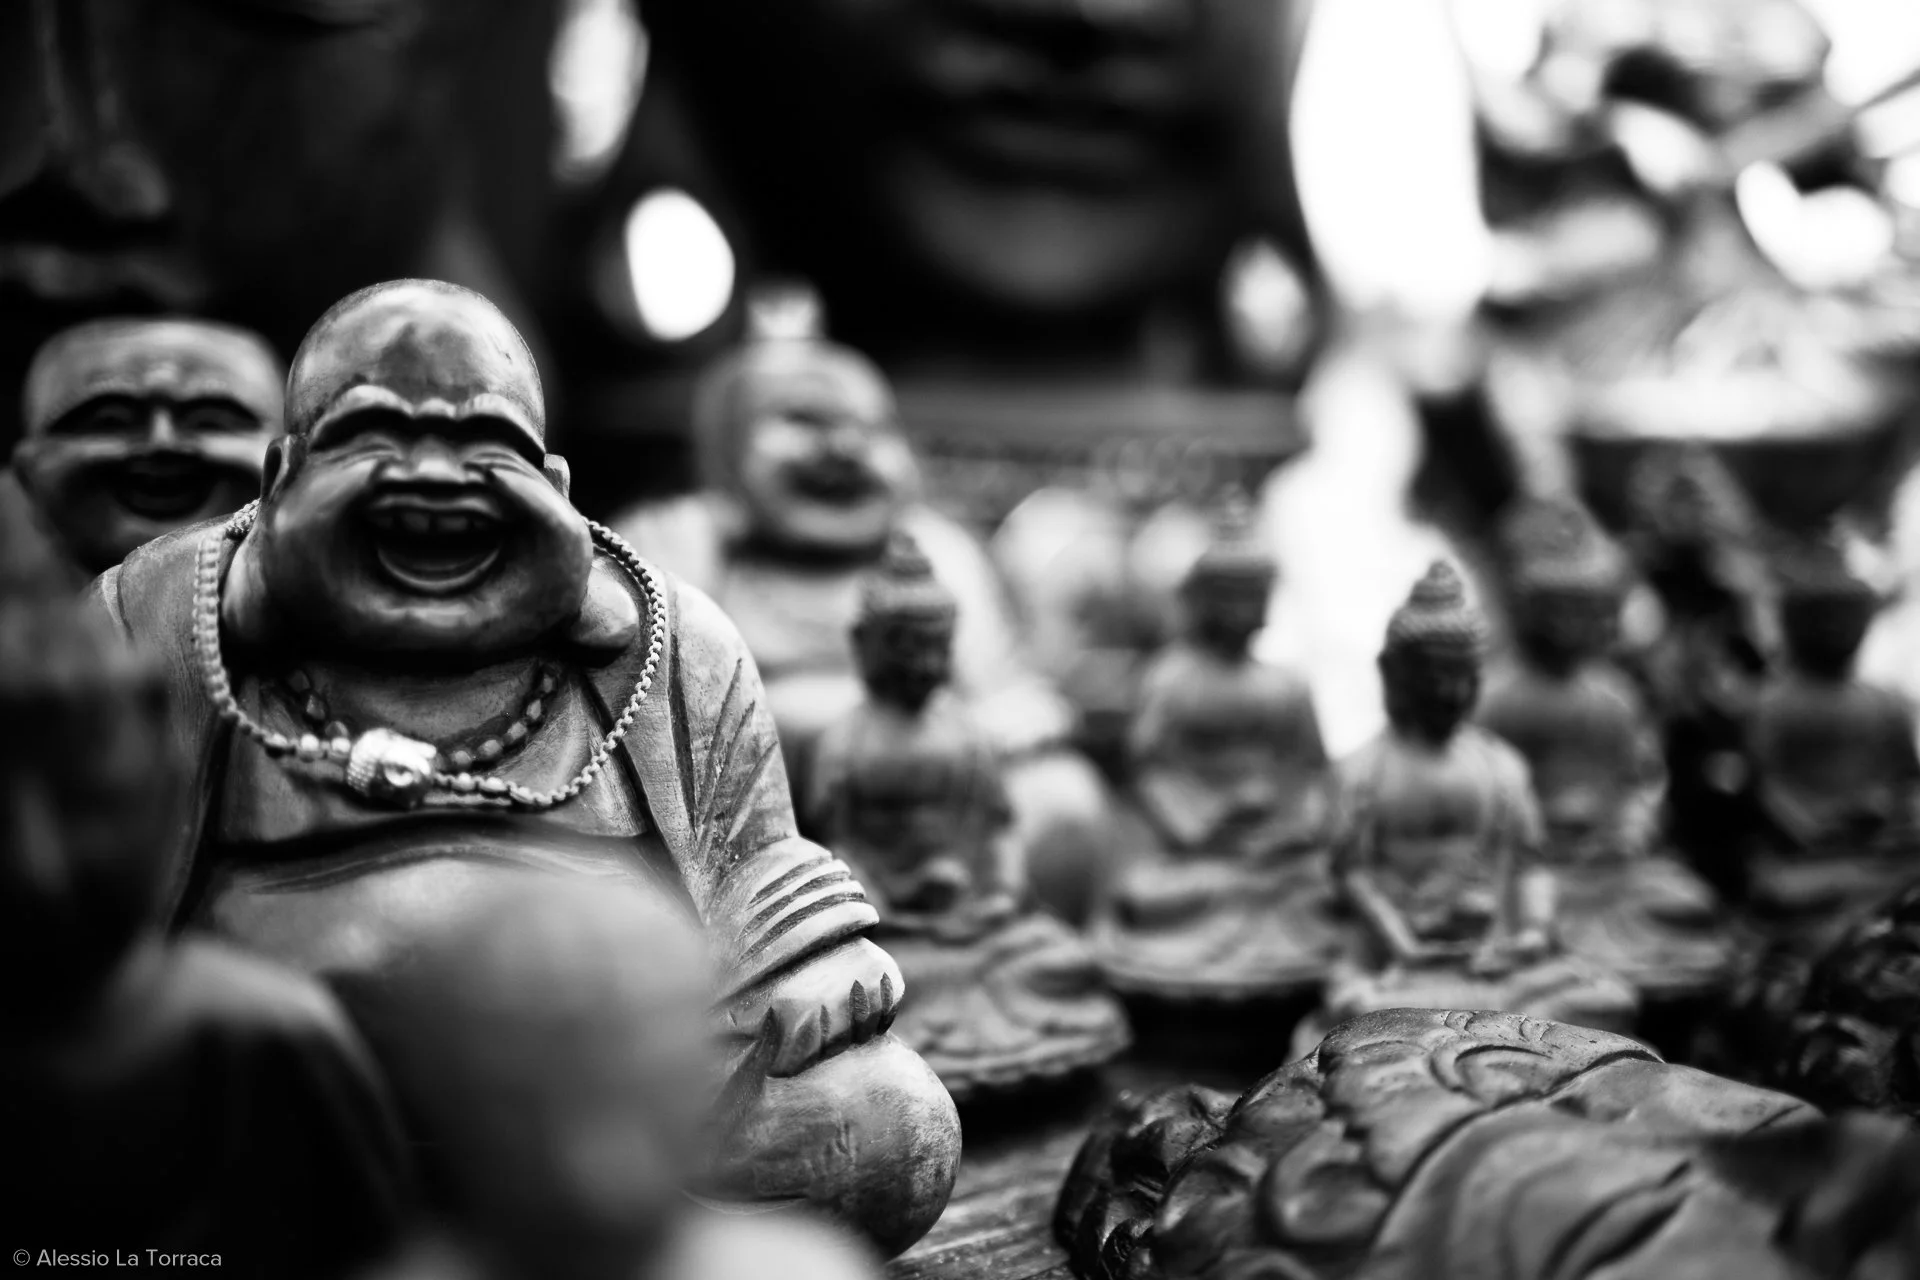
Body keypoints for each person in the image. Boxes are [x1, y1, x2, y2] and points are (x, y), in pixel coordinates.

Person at [86, 279, 960, 1257]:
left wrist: (812, 959)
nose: (433, 476)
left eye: (483, 444)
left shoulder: (665, 636)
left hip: (616, 1093)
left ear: (554, 480)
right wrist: (227, 608)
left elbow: (757, 857)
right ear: (283, 471)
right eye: (375, 434)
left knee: (891, 1119)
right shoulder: (177, 617)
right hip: (294, 1094)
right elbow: (71, 877)